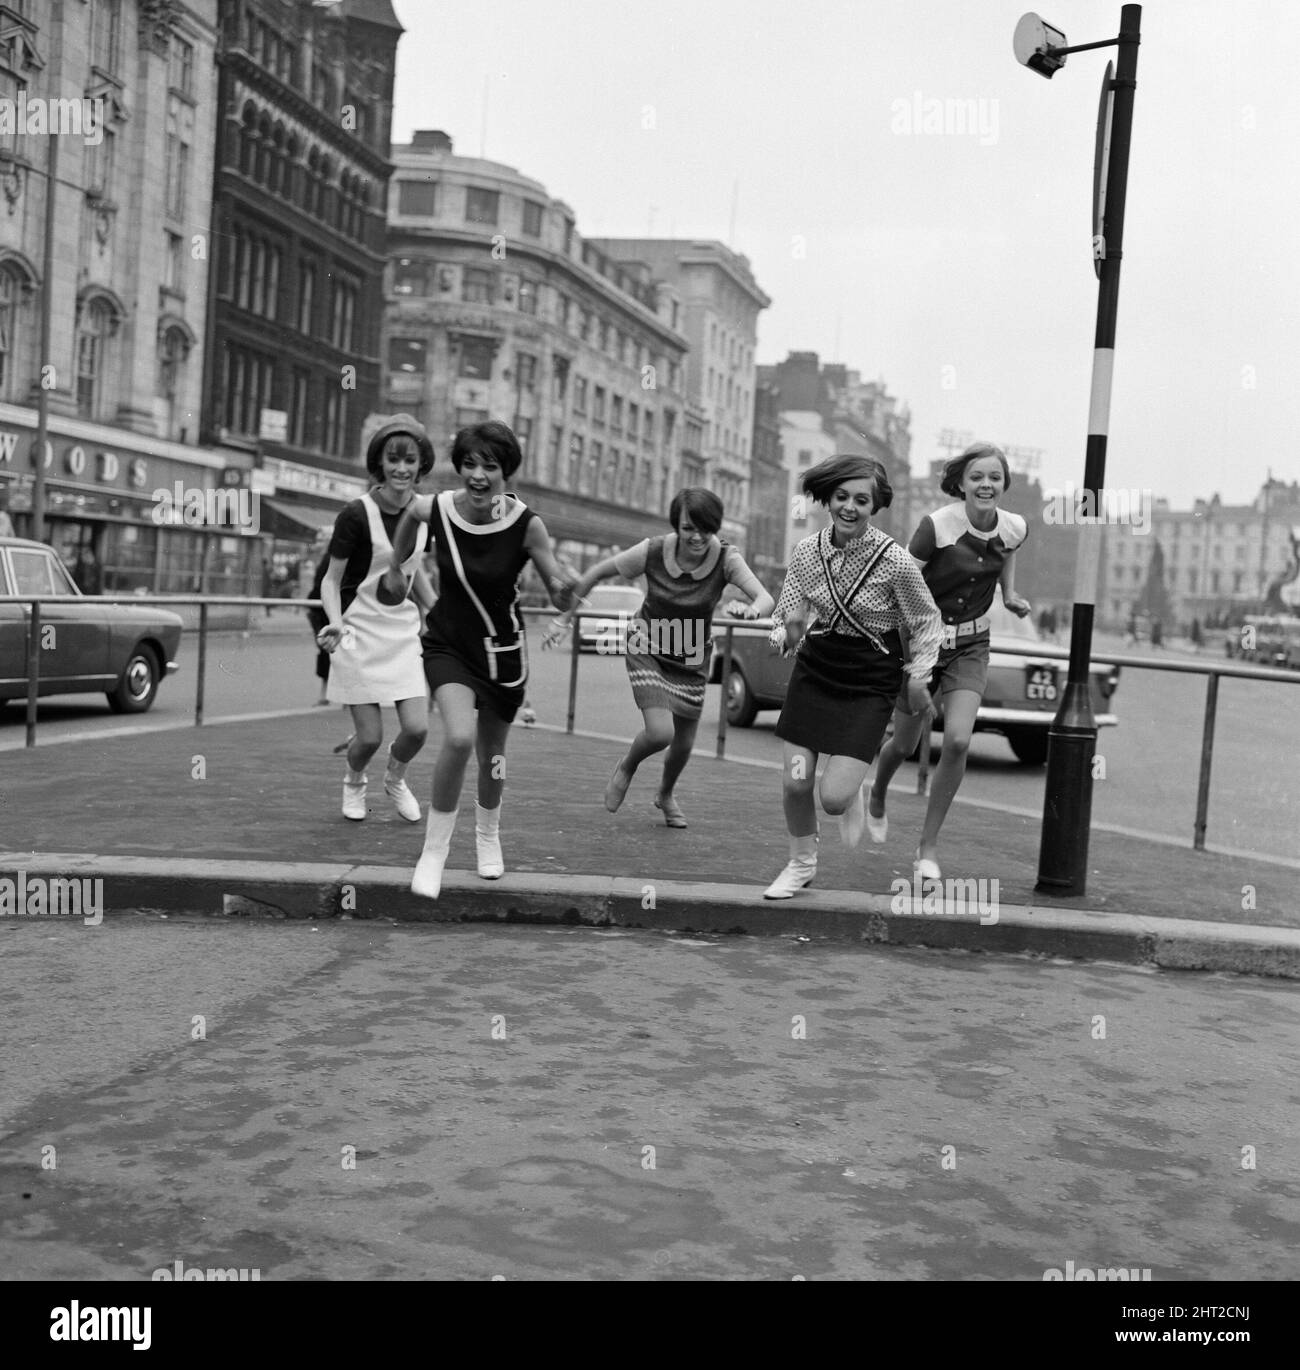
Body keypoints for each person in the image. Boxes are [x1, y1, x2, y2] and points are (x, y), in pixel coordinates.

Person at [385, 420, 579, 899]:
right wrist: (399, 562)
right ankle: (434, 853)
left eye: (489, 466)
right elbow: (411, 513)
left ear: (506, 473)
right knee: (457, 737)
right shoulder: (440, 508)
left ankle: (488, 836)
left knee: (492, 757)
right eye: (469, 464)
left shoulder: (528, 525)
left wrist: (564, 591)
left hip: (502, 655)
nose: (476, 475)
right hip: (449, 643)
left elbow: (557, 593)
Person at [762, 455, 943, 900]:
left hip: (868, 680)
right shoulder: (807, 552)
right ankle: (801, 864)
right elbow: (787, 612)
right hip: (817, 669)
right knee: (795, 780)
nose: (849, 507)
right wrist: (785, 634)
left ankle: (853, 785)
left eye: (861, 500)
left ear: (874, 504)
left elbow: (926, 621)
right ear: (828, 499)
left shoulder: (896, 561)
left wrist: (919, 675)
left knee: (834, 799)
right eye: (841, 497)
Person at [544, 488, 774, 827]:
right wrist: (564, 619)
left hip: (691, 653)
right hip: (647, 643)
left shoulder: (726, 558)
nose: (696, 537)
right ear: (676, 526)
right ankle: (627, 767)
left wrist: (751, 611)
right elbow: (596, 573)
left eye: (705, 529)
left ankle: (665, 794)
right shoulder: (652, 550)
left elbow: (764, 598)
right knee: (660, 733)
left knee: (683, 744)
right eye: (687, 528)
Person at [869, 442, 1030, 883]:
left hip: (972, 645)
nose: (986, 485)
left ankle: (927, 847)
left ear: (1004, 484)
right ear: (960, 483)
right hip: (923, 642)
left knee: (958, 740)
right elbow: (898, 582)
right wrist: (914, 663)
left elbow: (1008, 551)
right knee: (903, 744)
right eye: (977, 477)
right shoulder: (936, 527)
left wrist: (1009, 595)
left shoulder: (1015, 526)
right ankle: (878, 792)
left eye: (994, 477)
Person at [317, 415, 437, 823]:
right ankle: (354, 781)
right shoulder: (355, 514)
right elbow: (331, 581)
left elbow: (414, 568)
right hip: (355, 631)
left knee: (418, 729)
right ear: (380, 463)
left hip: (402, 632)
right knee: (369, 736)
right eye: (393, 459)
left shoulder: (425, 513)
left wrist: (436, 612)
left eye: (410, 460)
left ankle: (395, 778)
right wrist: (333, 621)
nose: (401, 469)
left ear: (422, 465)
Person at [305, 538, 333, 705]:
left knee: (326, 650)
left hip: (324, 611)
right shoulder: (327, 558)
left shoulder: (330, 558)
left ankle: (325, 695)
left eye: (321, 538)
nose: (318, 541)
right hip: (321, 610)